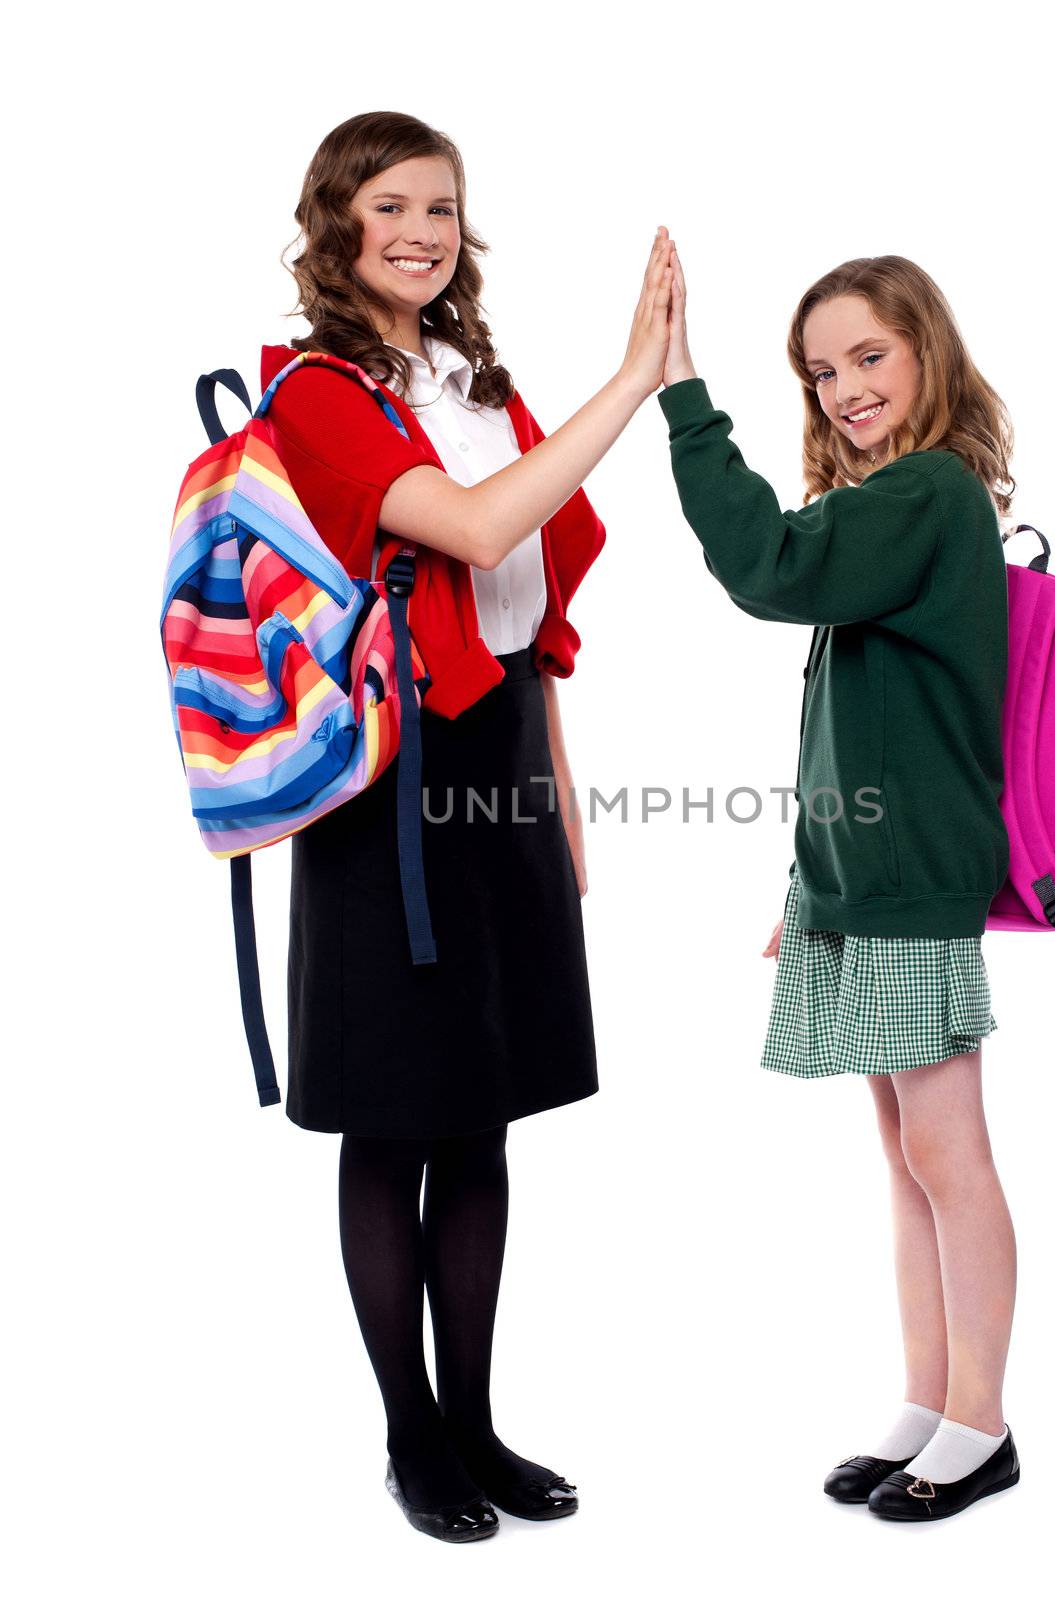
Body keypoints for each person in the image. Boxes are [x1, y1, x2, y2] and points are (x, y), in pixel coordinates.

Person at [260, 110, 676, 1543]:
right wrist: (636, 380)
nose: (423, 230)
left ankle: (479, 1425)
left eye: (441, 205)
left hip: (494, 749)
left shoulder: (472, 377)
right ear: (338, 225)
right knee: (392, 1113)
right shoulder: (315, 392)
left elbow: (526, 610)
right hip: (387, 783)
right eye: (391, 206)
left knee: (485, 1110)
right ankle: (410, 1439)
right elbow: (485, 529)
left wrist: (554, 788)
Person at [657, 251, 1020, 1522]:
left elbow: (765, 563)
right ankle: (928, 1402)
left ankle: (981, 1424)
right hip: (861, 885)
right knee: (904, 1150)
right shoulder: (894, 508)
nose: (842, 387)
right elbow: (857, 735)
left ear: (926, 350)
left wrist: (684, 396)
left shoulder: (926, 492)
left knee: (946, 1150)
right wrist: (811, 882)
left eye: (869, 355)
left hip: (913, 883)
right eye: (820, 369)